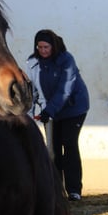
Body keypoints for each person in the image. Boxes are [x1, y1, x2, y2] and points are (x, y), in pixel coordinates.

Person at [26, 29, 89, 201]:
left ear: (53, 46)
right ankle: (56, 190)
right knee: (52, 150)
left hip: (73, 109)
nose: (43, 51)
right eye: (39, 47)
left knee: (69, 144)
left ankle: (74, 190)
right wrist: (28, 116)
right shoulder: (32, 63)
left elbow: (65, 89)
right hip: (50, 110)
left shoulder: (66, 60)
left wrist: (48, 111)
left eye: (46, 47)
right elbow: (32, 91)